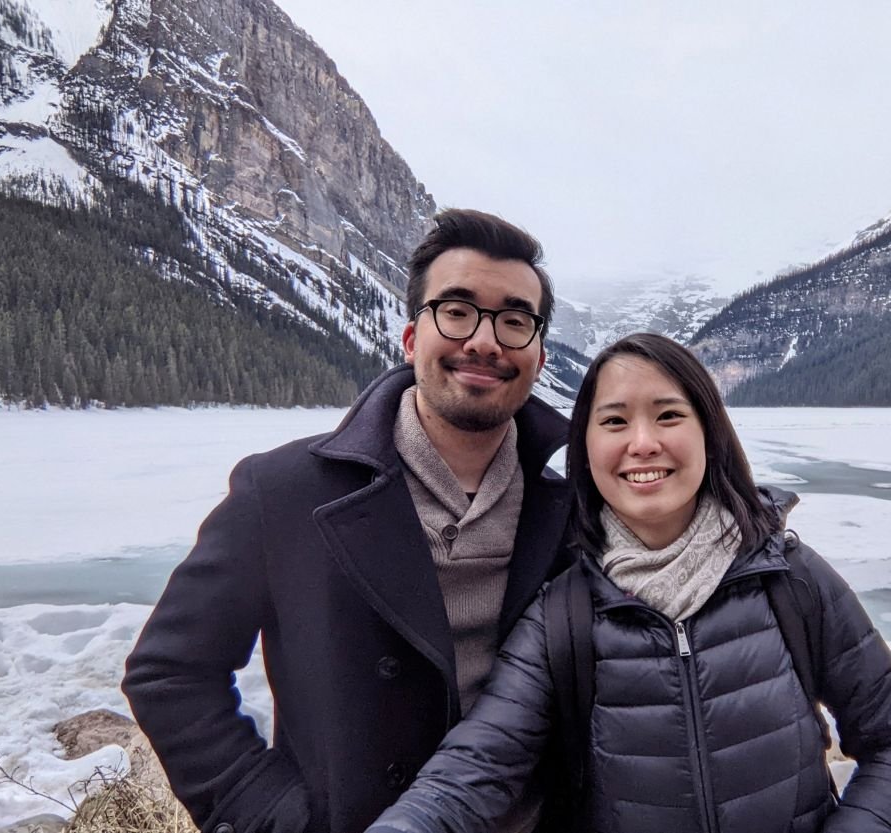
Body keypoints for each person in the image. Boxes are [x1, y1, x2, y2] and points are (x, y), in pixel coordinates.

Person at [366, 333, 891, 833]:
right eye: (614, 421)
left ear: (709, 432)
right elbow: (476, 768)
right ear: (586, 450)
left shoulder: (789, 579)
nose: (643, 443)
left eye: (668, 415)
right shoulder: (563, 616)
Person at [122, 209, 574, 833]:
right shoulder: (283, 492)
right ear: (412, 338)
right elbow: (170, 671)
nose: (485, 341)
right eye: (457, 310)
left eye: (515, 320)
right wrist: (275, 815)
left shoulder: (570, 509)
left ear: (539, 355)